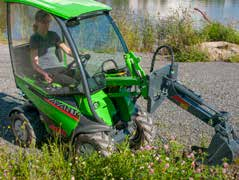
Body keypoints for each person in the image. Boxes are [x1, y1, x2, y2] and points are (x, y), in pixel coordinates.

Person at [30, 10, 76, 86]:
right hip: (47, 70)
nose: (47, 24)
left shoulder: (53, 35)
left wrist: (77, 56)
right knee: (73, 83)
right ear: (37, 22)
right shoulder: (34, 38)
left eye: (48, 22)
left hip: (59, 68)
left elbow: (67, 50)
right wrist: (44, 74)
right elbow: (35, 63)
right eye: (44, 22)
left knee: (80, 74)